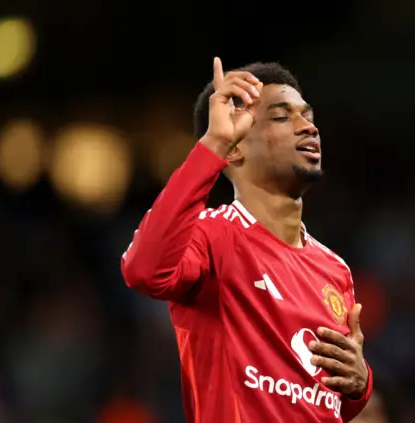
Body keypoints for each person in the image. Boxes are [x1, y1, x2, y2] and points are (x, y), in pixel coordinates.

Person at [121, 57, 372, 422]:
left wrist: (360, 384)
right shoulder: (211, 235)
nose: (309, 128)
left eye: (308, 115)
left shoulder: (334, 269)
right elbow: (144, 271)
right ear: (235, 147)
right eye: (283, 117)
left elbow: (329, 400)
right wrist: (214, 143)